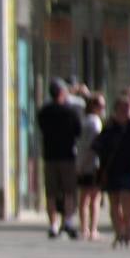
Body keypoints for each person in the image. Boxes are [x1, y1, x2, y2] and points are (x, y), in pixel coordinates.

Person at [93, 91, 130, 247]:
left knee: (127, 202)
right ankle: (119, 233)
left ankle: (128, 231)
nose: (125, 111)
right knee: (114, 203)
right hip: (111, 170)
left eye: (128, 107)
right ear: (116, 110)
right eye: (122, 108)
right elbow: (97, 145)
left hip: (128, 169)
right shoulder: (109, 127)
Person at [36, 77, 81, 239]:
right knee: (69, 191)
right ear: (62, 93)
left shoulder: (44, 112)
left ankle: (53, 224)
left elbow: (41, 128)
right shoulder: (70, 111)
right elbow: (78, 132)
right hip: (67, 156)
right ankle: (68, 221)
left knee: (51, 192)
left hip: (50, 156)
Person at [76, 92, 106, 241]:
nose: (103, 108)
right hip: (93, 164)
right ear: (93, 106)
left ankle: (84, 228)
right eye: (100, 105)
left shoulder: (84, 120)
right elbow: (92, 146)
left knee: (84, 198)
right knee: (94, 198)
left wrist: (79, 164)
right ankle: (92, 229)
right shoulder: (95, 123)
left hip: (82, 163)